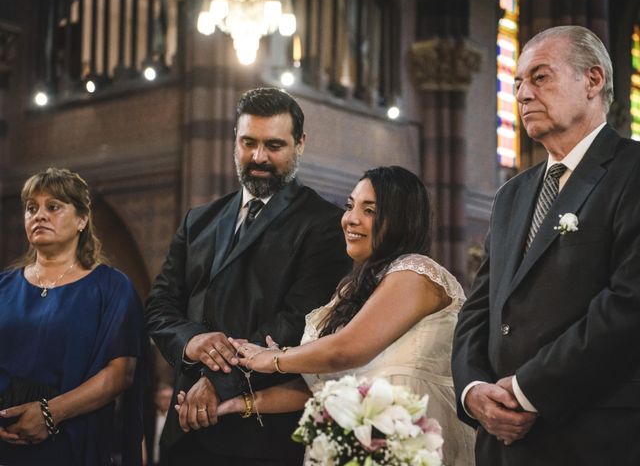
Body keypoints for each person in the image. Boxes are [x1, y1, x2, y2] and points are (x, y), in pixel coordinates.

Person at [451, 25, 640, 465]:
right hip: (501, 440)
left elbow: (628, 304)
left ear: (593, 81)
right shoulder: (512, 195)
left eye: (540, 77)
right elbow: (479, 308)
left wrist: (525, 390)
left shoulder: (632, 172)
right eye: (517, 83)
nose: (521, 94)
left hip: (592, 433)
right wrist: (473, 389)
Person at [144, 87, 350, 465]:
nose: (258, 157)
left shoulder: (323, 224)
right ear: (234, 141)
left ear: (300, 144)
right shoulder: (199, 220)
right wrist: (191, 341)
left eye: (274, 145)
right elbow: (159, 305)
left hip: (261, 436)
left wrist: (218, 382)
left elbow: (297, 321)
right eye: (248, 143)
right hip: (183, 427)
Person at [218, 166, 476, 466]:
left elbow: (344, 351)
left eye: (370, 210)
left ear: (402, 220)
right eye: (350, 205)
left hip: (409, 443)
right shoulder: (352, 290)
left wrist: (274, 359)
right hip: (355, 445)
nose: (351, 218)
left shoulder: (415, 273)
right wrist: (244, 403)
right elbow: (326, 385)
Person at [0, 167, 147, 465]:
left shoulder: (110, 286)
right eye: (32, 208)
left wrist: (49, 414)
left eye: (53, 206)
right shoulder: (3, 286)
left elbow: (121, 373)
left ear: (82, 219)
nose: (39, 215)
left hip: (73, 437)